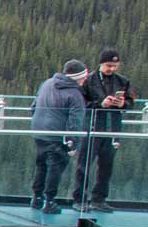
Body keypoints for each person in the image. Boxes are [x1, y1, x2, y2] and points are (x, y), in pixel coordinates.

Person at [72, 48, 133, 212]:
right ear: (101, 64)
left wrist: (122, 104)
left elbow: (130, 102)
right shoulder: (88, 80)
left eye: (114, 65)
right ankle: (80, 199)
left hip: (112, 129)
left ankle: (99, 199)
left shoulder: (122, 81)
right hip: (91, 128)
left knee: (106, 166)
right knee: (83, 165)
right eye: (108, 65)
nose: (111, 69)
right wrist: (100, 104)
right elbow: (80, 103)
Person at [30, 59, 89, 215]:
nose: (85, 80)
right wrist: (73, 144)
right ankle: (50, 202)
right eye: (83, 77)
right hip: (58, 137)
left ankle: (36, 198)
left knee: (41, 166)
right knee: (54, 169)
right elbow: (75, 121)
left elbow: (34, 106)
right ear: (77, 77)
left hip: (40, 132)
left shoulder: (47, 83)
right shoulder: (75, 94)